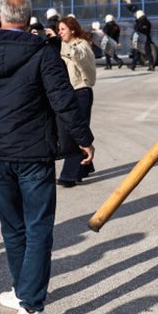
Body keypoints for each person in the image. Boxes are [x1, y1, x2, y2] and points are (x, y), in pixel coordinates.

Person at [0, 0, 93, 314]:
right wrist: (83, 140)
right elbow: (64, 103)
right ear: (29, 20)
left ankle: (21, 291)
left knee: (13, 225)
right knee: (38, 227)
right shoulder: (43, 53)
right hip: (33, 151)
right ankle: (31, 307)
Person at [54, 16, 97, 187]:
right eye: (58, 30)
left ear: (72, 29)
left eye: (63, 29)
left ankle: (70, 175)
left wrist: (62, 44)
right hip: (68, 93)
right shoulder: (62, 46)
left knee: (73, 133)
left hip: (81, 92)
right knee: (75, 131)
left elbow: (78, 57)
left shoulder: (82, 45)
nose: (60, 33)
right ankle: (85, 166)